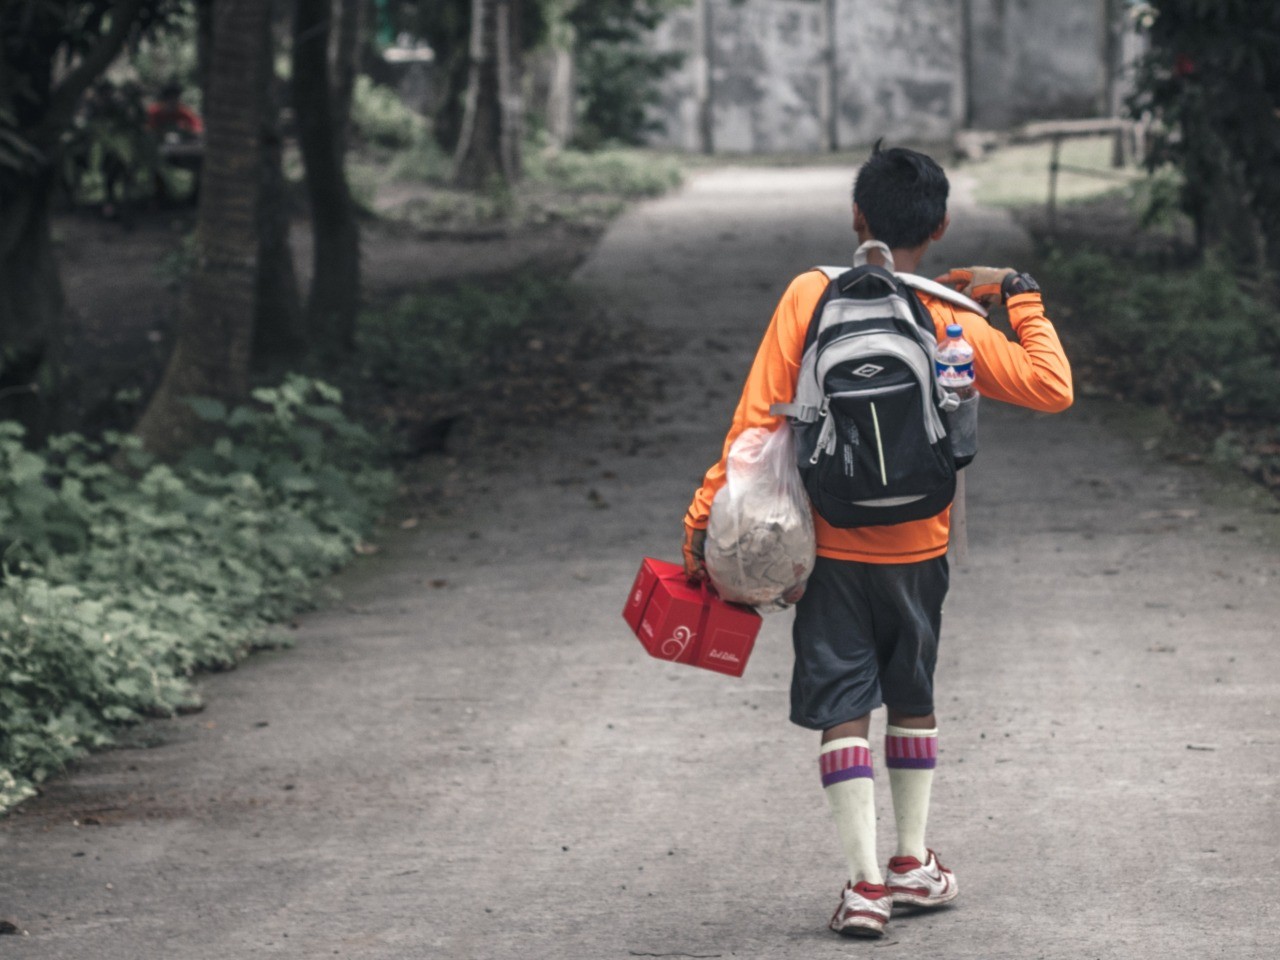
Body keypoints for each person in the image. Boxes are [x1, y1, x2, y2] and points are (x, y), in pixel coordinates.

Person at [680, 143, 1073, 938]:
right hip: (920, 547)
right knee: (912, 695)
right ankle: (912, 863)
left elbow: (755, 423)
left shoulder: (809, 293)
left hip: (829, 545)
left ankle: (863, 886)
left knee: (843, 707)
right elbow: (1052, 387)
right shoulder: (944, 310)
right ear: (943, 225)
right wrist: (1019, 296)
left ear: (856, 217)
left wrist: (702, 523)